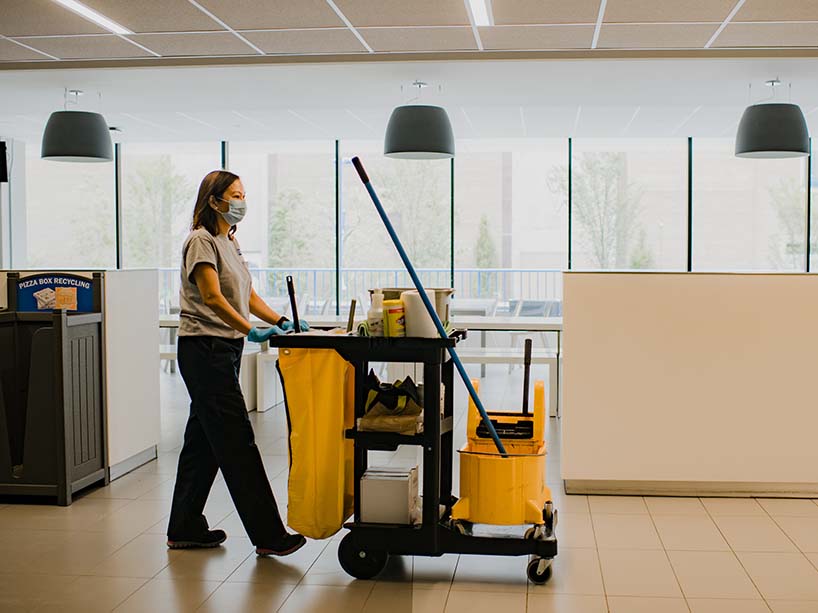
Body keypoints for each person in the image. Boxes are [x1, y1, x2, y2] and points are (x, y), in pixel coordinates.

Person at [166, 169, 308, 556]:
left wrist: (279, 321)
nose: (241, 201)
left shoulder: (231, 241)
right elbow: (212, 297)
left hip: (222, 351)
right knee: (237, 442)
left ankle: (184, 526)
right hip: (203, 350)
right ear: (213, 200)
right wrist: (251, 331)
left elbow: (247, 293)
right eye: (234, 195)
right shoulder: (201, 241)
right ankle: (269, 536)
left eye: (243, 194)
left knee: (203, 443)